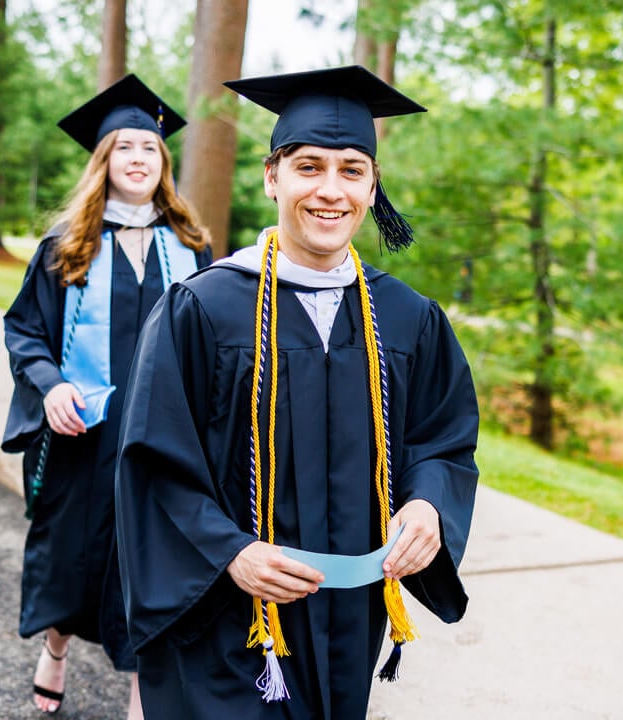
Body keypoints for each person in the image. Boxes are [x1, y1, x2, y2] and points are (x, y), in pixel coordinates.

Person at [114, 66, 480, 719]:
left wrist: (428, 506)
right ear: (271, 177)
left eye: (351, 170)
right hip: (226, 614)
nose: (330, 190)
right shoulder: (201, 309)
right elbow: (154, 461)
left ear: (373, 189)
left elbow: (443, 438)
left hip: (350, 615)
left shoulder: (407, 319)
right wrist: (231, 552)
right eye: (309, 167)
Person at [2, 74, 212, 716]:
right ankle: (56, 649)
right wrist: (51, 385)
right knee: (72, 561)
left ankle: (142, 688)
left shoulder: (195, 248)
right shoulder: (66, 247)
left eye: (150, 149)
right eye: (125, 148)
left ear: (163, 163)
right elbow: (24, 331)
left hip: (161, 442)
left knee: (155, 566)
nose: (139, 159)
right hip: (84, 439)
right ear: (104, 161)